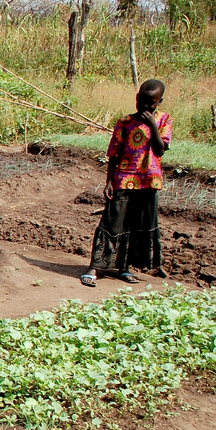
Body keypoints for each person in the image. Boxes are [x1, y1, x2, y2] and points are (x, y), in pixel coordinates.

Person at [81, 79, 172, 287]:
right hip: (123, 179)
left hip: (148, 182)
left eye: (152, 103)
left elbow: (160, 150)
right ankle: (94, 267)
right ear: (137, 97)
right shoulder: (124, 122)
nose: (146, 107)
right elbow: (113, 154)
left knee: (136, 226)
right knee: (111, 223)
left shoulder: (164, 120)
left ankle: (125, 268)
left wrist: (152, 126)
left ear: (160, 102)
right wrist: (109, 181)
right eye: (143, 101)